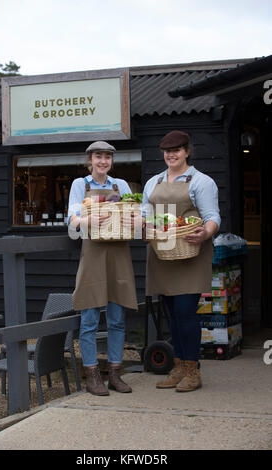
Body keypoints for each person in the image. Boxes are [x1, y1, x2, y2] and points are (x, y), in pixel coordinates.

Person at [142, 130, 220, 392]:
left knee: (186, 311)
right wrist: (144, 228)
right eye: (167, 151)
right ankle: (177, 367)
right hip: (162, 253)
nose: (171, 155)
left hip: (190, 252)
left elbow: (212, 217)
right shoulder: (154, 182)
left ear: (188, 151)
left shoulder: (201, 182)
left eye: (177, 150)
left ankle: (192, 369)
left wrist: (206, 233)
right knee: (172, 314)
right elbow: (146, 213)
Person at [68, 141, 138, 396]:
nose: (103, 161)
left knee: (117, 317)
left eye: (107, 157)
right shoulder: (80, 185)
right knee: (89, 318)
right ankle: (92, 375)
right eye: (98, 156)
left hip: (119, 253)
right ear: (90, 160)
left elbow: (137, 216)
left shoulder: (121, 186)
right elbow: (72, 219)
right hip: (93, 254)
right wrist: (88, 219)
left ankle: (116, 374)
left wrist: (136, 218)